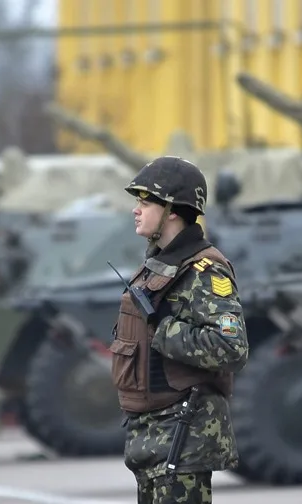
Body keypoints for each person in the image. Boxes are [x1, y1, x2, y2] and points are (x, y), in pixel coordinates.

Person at [110, 156, 250, 503]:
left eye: (145, 202)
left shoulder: (204, 271)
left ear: (173, 210)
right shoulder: (157, 264)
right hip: (152, 436)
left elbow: (232, 347)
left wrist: (163, 332)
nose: (136, 210)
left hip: (183, 435)